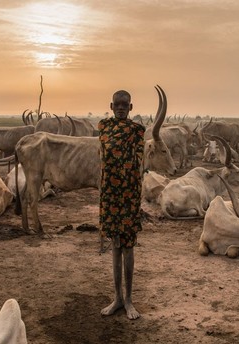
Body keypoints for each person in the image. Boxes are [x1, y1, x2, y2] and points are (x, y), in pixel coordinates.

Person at [98, 90, 145, 320]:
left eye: (125, 105)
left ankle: (129, 300)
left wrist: (136, 197)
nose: (121, 108)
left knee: (128, 248)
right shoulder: (103, 128)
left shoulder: (136, 131)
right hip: (110, 196)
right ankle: (117, 298)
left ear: (131, 107)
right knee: (115, 247)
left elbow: (139, 164)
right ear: (111, 105)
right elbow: (103, 161)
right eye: (117, 104)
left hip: (129, 195)